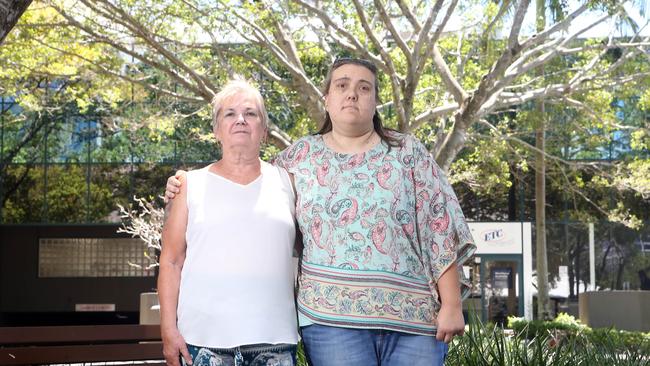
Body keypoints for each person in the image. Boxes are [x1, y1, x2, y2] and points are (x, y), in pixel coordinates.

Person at [165, 58, 476, 366]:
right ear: (327, 99)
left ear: (376, 101)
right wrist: (183, 184)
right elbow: (241, 180)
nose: (352, 94)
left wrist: (451, 303)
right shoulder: (296, 160)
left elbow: (439, 224)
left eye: (363, 87)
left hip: (413, 321)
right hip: (331, 324)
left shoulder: (407, 152)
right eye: (342, 85)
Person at [159, 79, 299, 366]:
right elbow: (171, 261)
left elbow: (309, 251)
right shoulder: (189, 185)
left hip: (274, 342)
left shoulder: (289, 183)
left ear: (264, 130)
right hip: (202, 343)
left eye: (251, 113)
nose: (241, 120)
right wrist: (167, 329)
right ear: (216, 130)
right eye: (230, 114)